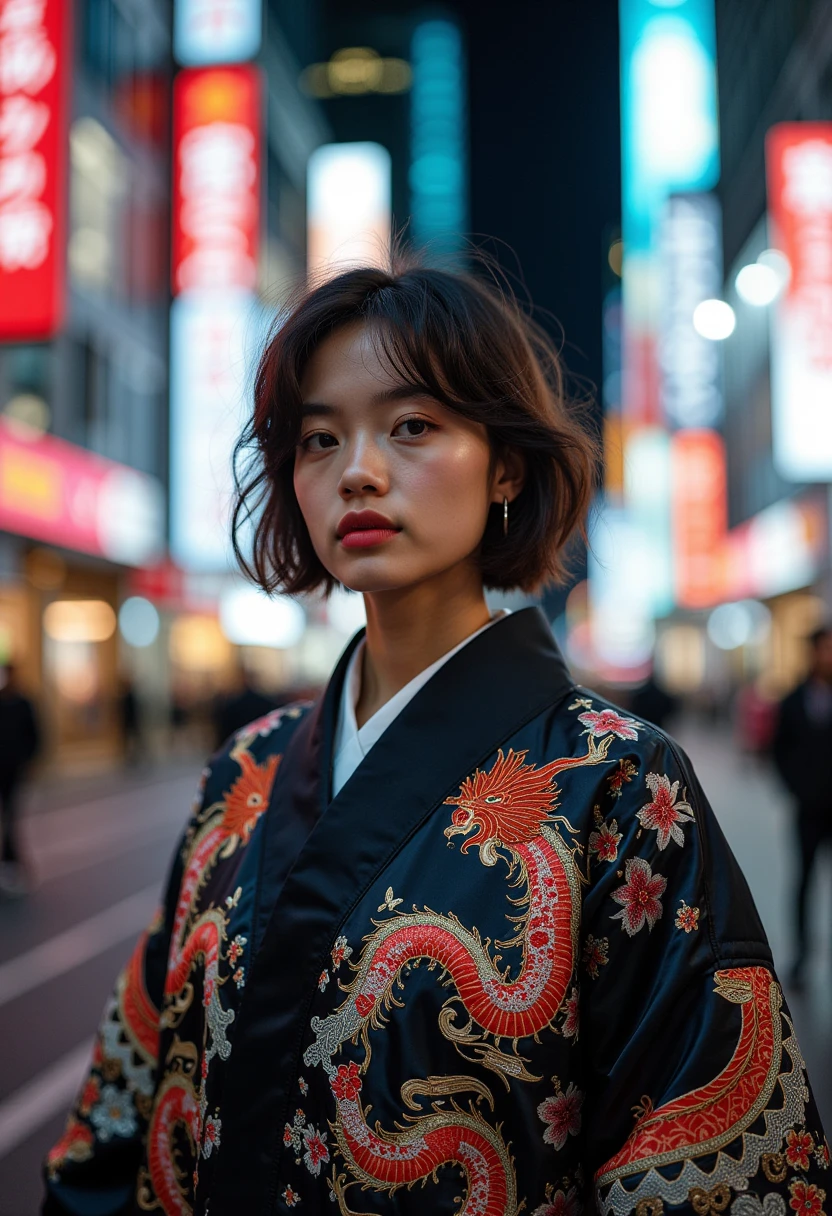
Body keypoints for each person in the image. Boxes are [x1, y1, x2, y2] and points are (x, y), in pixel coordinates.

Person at [44, 259, 829, 1216]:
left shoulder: (618, 786)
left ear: (504, 462)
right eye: (320, 437)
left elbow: (712, 1159)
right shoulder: (243, 773)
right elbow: (128, 1101)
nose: (359, 470)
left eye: (412, 426)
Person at [772, 626, 832, 985]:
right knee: (804, 882)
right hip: (808, 809)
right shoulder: (793, 700)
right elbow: (780, 751)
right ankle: (802, 955)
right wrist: (798, 787)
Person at [0, 662, 40, 897]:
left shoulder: (23, 702)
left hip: (13, 769)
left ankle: (11, 863)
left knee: (11, 817)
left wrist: (29, 760)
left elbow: (34, 734)